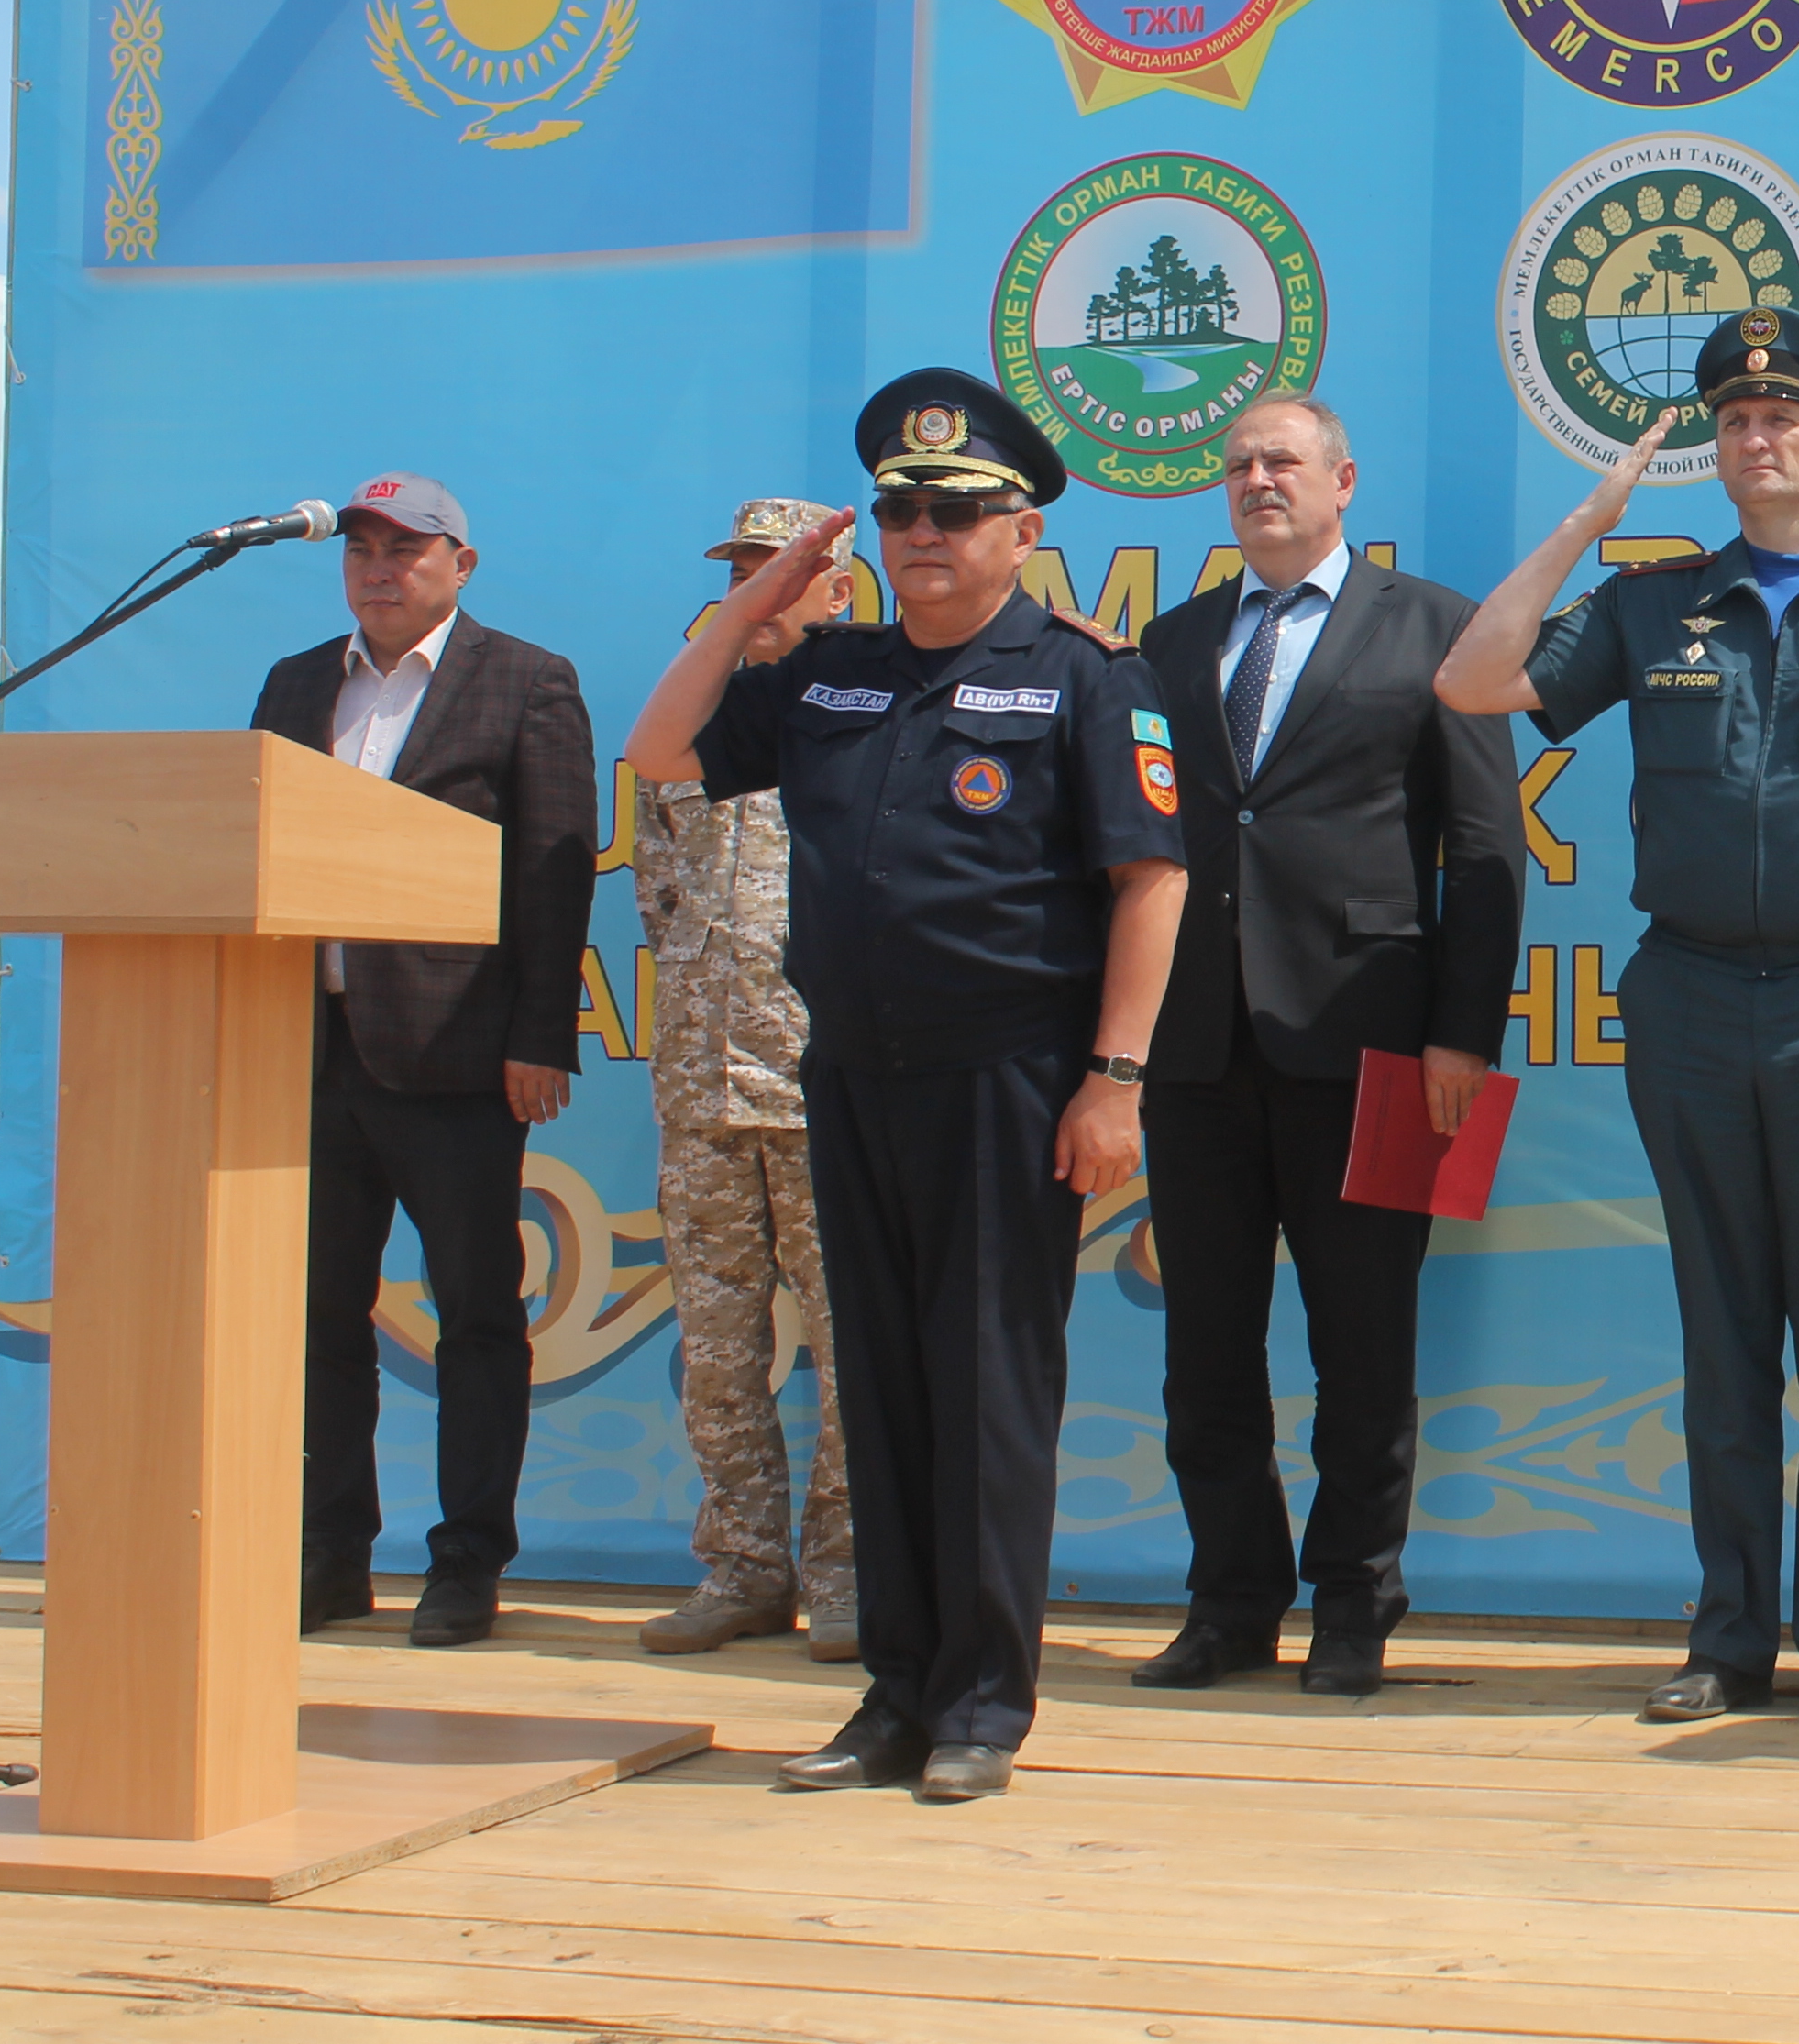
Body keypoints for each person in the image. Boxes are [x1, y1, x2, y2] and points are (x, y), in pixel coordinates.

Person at [1437, 311, 1799, 1731]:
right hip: (1694, 993)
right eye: (1734, 420)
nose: (1755, 439)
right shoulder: (1654, 606)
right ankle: (1728, 1637)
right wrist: (1583, 525)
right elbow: (1471, 684)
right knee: (1723, 1337)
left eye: (1783, 419)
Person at [624, 371, 1187, 1803]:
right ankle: (893, 1698)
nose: (922, 530)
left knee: (988, 1394)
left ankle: (985, 1706)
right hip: (852, 1078)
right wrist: (766, 603)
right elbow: (661, 747)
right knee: (875, 1393)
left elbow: (1152, 880)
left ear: (1023, 527)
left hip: (1011, 1081)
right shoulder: (829, 672)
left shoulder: (1085, 676)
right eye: (898, 510)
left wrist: (1114, 1076)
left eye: (956, 509)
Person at [1130, 396, 1527, 1698]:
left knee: (1364, 1350)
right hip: (1196, 1051)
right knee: (1206, 1353)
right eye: (1239, 465)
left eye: (1281, 462)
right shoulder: (1174, 641)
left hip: (1378, 1045)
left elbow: (1484, 849)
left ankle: (1355, 1605)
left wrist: (1463, 1034)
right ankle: (1229, 1603)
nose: (1258, 481)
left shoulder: (1439, 628)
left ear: (1343, 481)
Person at [253, 472, 597, 1649]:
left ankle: (466, 1565)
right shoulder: (300, 684)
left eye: (409, 548)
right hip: (312, 1050)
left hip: (455, 1057)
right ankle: (329, 1552)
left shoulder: (526, 679)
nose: (380, 566)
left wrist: (540, 1036)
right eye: (361, 547)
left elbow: (552, 873)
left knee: (476, 1320)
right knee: (316, 1317)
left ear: (463, 563)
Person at [634, 497, 857, 1665]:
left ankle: (850, 1574)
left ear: (839, 588)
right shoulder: (693, 720)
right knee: (717, 1349)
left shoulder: (865, 708)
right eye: (745, 570)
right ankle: (744, 1568)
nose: (765, 588)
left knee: (852, 1351)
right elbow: (660, 896)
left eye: (789, 570)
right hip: (700, 1084)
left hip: (823, 1087)